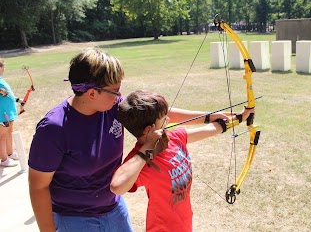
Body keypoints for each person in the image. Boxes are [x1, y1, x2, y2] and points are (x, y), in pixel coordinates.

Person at [28, 47, 229, 232]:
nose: (119, 95)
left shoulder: (112, 106)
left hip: (114, 210)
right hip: (74, 220)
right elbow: (38, 187)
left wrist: (209, 117)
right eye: (115, 90)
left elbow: (155, 114)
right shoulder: (54, 129)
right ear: (91, 93)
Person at [110, 90, 255, 232]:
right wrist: (147, 147)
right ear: (150, 130)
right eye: (164, 119)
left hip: (184, 222)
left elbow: (212, 129)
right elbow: (117, 187)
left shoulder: (173, 137)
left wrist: (241, 117)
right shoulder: (140, 160)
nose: (168, 120)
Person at [0, 59, 19, 167]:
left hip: (9, 113)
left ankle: (10, 153)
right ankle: (4, 159)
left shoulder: (1, 79)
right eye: (2, 67)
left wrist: (18, 100)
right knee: (1, 136)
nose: (4, 69)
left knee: (9, 133)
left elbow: (9, 94)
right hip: (2, 113)